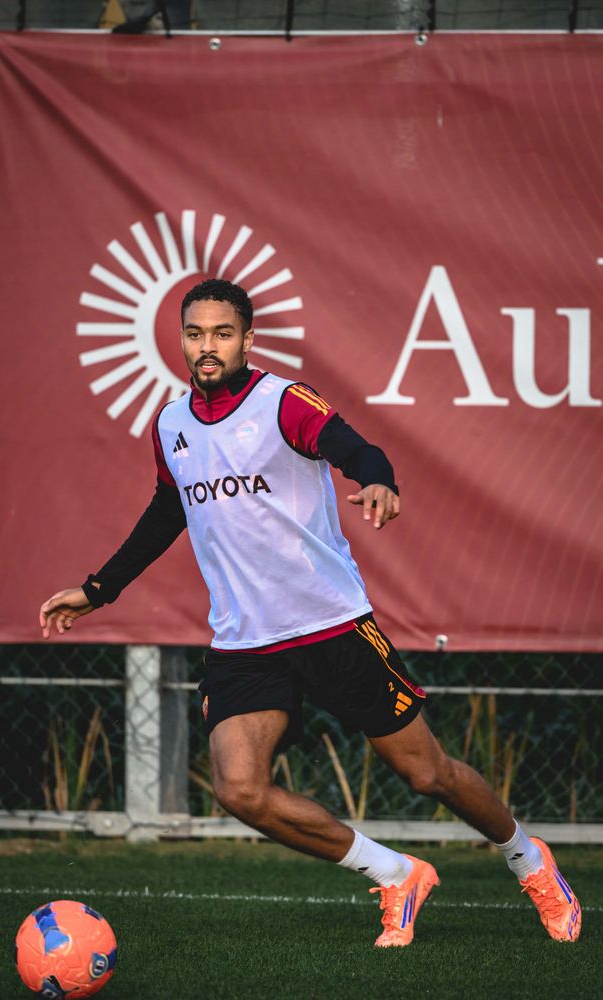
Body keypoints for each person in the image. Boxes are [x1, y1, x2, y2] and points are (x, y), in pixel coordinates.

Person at [40, 278, 581, 947]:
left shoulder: (282, 401)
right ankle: (395, 874)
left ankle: (531, 860)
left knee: (425, 772)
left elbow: (355, 448)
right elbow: (167, 509)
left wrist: (378, 480)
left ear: (247, 338)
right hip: (244, 643)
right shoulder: (170, 424)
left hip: (331, 625)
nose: (207, 347)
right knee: (240, 789)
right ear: (182, 339)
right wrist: (99, 589)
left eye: (222, 333)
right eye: (195, 334)